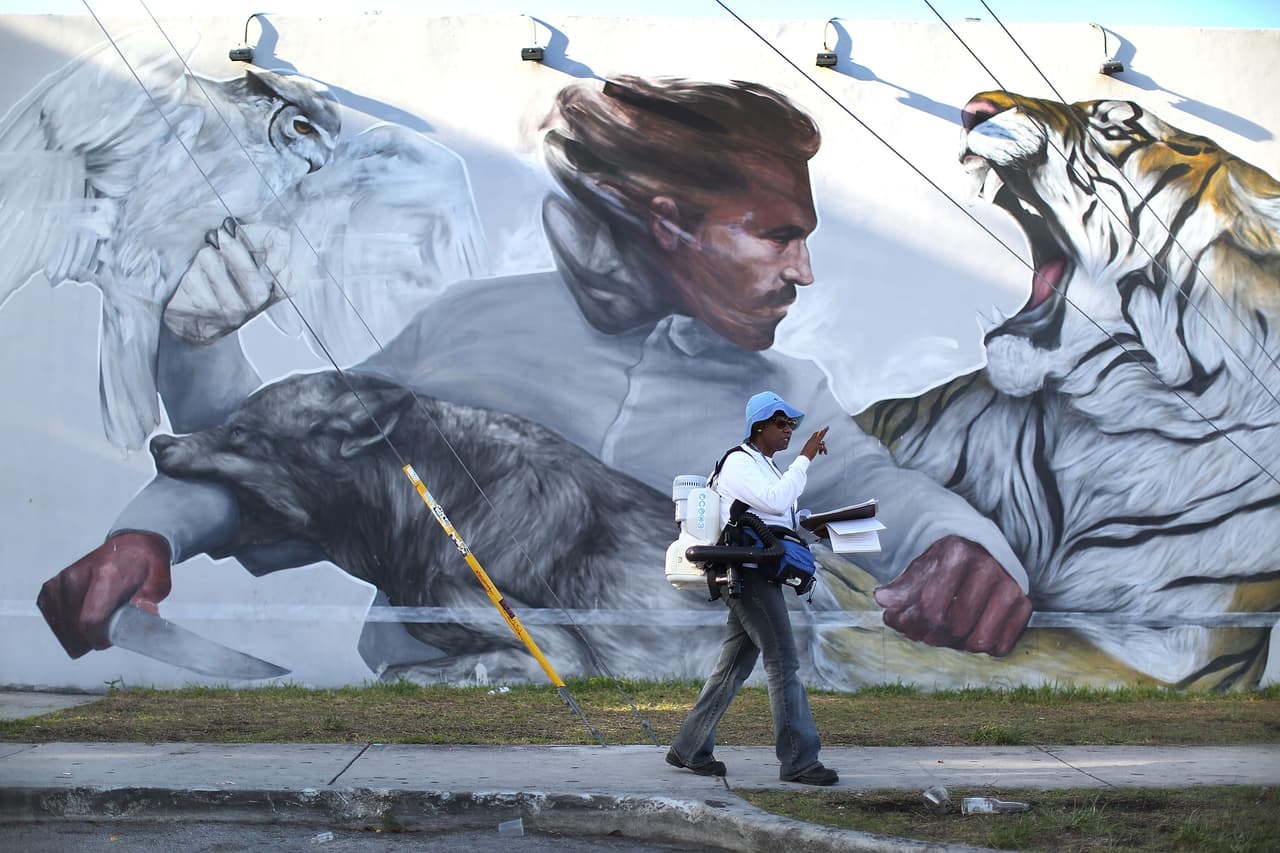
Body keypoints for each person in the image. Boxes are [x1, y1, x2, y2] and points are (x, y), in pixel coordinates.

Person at [37, 76, 1032, 680]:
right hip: (451, 738)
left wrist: (963, 548)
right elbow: (298, 458)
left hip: (696, 739)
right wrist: (147, 533)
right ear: (670, 223)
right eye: (777, 235)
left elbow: (875, 495)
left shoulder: (784, 390)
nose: (802, 271)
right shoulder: (470, 324)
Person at [666, 391, 837, 785]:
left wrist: (817, 526)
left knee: (732, 668)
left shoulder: (765, 466)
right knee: (784, 664)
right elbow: (775, 502)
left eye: (792, 425)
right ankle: (799, 761)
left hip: (757, 573)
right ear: (759, 426)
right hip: (747, 574)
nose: (789, 430)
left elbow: (776, 515)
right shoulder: (739, 462)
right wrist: (805, 458)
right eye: (781, 423)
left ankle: (689, 748)